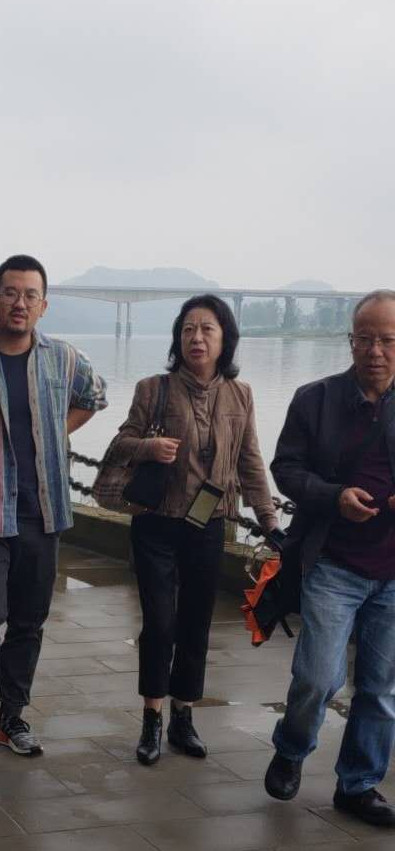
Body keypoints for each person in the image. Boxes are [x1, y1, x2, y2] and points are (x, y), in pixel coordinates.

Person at [0, 254, 106, 763]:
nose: (20, 303)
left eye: (31, 295)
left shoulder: (65, 358)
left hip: (42, 513)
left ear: (44, 305)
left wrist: (55, 429)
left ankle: (12, 718)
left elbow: (94, 396)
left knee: (29, 622)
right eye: (11, 293)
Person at [111, 294, 278, 766]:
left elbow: (250, 461)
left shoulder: (241, 394)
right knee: (160, 622)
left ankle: (183, 716)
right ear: (178, 339)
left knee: (195, 623)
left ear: (225, 339)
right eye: (188, 329)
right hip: (155, 524)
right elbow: (121, 442)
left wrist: (269, 521)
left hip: (208, 525)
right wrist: (149, 447)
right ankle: (152, 717)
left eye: (207, 329)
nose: (196, 338)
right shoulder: (153, 389)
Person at [264, 289, 395, 827]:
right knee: (318, 678)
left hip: (392, 572)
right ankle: (292, 747)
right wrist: (335, 496)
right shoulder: (314, 399)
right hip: (333, 564)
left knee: (380, 689)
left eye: (387, 340)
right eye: (365, 339)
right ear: (350, 341)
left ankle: (358, 785)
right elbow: (286, 469)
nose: (375, 351)